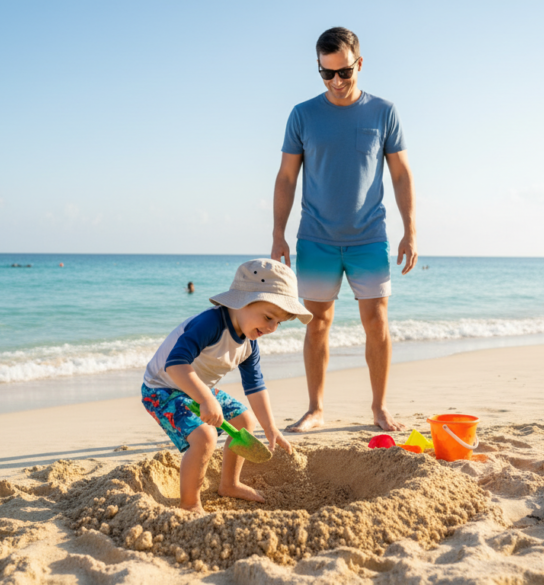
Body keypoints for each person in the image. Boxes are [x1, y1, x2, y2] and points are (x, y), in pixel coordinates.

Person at [271, 27, 416, 433]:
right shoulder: (303, 114)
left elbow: (401, 174)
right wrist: (278, 233)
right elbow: (286, 177)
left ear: (359, 64)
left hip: (369, 236)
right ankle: (315, 409)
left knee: (377, 321)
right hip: (315, 237)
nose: (336, 81)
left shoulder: (383, 112)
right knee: (317, 321)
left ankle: (380, 408)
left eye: (344, 72)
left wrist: (410, 230)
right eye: (326, 73)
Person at [140, 259, 312, 513]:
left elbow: (255, 385)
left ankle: (229, 484)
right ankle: (189, 503)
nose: (272, 328)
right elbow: (175, 365)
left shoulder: (249, 343)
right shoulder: (210, 324)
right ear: (242, 301)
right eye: (268, 317)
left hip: (198, 387)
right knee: (205, 437)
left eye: (279, 322)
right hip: (161, 388)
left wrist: (270, 427)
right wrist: (205, 399)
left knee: (245, 421)